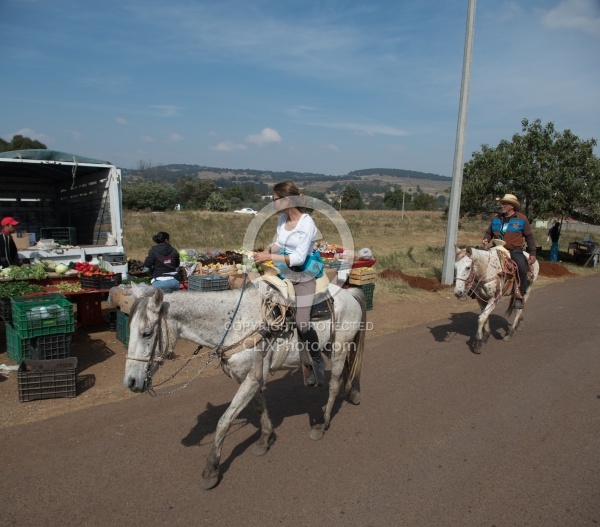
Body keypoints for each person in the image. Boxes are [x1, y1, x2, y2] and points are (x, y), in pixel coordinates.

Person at [254, 181, 326, 387]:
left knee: (303, 321)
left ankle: (317, 361)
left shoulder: (306, 223)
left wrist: (269, 256)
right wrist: (263, 251)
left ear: (286, 200)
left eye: (274, 199)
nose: (273, 203)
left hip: (304, 272)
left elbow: (298, 258)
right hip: (285, 271)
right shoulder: (282, 219)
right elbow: (279, 245)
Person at [482, 193, 537, 309]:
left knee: (521, 267)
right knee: (480, 261)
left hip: (514, 250)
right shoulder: (496, 218)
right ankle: (475, 288)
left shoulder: (522, 219)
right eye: (502, 203)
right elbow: (489, 232)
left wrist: (532, 253)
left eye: (504, 204)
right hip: (496, 248)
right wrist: (486, 239)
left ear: (512, 206)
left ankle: (519, 294)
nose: (502, 205)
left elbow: (529, 237)